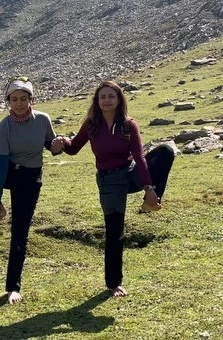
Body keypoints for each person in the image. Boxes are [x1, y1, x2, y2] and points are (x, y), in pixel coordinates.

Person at [53, 80, 175, 297]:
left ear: (119, 100)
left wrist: (149, 187)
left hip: (130, 173)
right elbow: (73, 149)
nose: (107, 101)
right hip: (109, 182)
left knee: (165, 152)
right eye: (103, 97)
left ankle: (151, 201)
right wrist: (62, 140)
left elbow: (139, 156)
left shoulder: (129, 125)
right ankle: (113, 284)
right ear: (97, 101)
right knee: (114, 231)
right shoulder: (91, 124)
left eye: (111, 96)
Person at [0, 76, 63, 305]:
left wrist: (58, 146)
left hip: (30, 178)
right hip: (9, 171)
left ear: (31, 99)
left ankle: (13, 288)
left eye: (23, 99)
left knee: (20, 231)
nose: (18, 104)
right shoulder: (4, 127)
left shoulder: (43, 119)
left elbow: (51, 144)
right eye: (14, 99)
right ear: (7, 101)